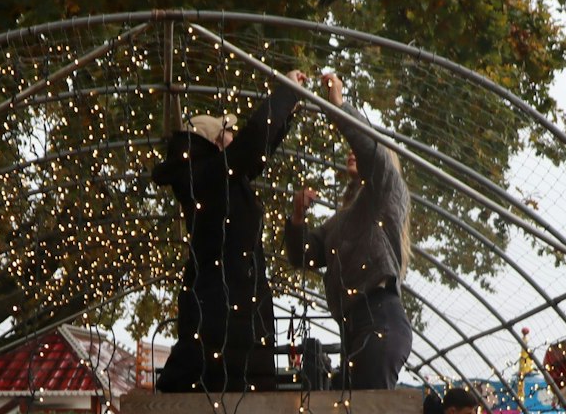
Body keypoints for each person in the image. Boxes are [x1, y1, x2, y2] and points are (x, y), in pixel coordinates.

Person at [151, 69, 311, 392]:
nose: (235, 137)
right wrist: (285, 93)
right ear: (213, 142)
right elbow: (250, 150)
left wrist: (287, 108)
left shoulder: (218, 179)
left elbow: (254, 156)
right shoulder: (204, 176)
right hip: (221, 317)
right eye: (229, 133)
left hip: (233, 318)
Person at [285, 72, 413, 390]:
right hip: (353, 329)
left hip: (380, 320)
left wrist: (339, 106)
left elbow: (372, 153)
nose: (351, 151)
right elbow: (304, 256)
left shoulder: (385, 191)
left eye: (362, 147)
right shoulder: (344, 219)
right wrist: (298, 216)